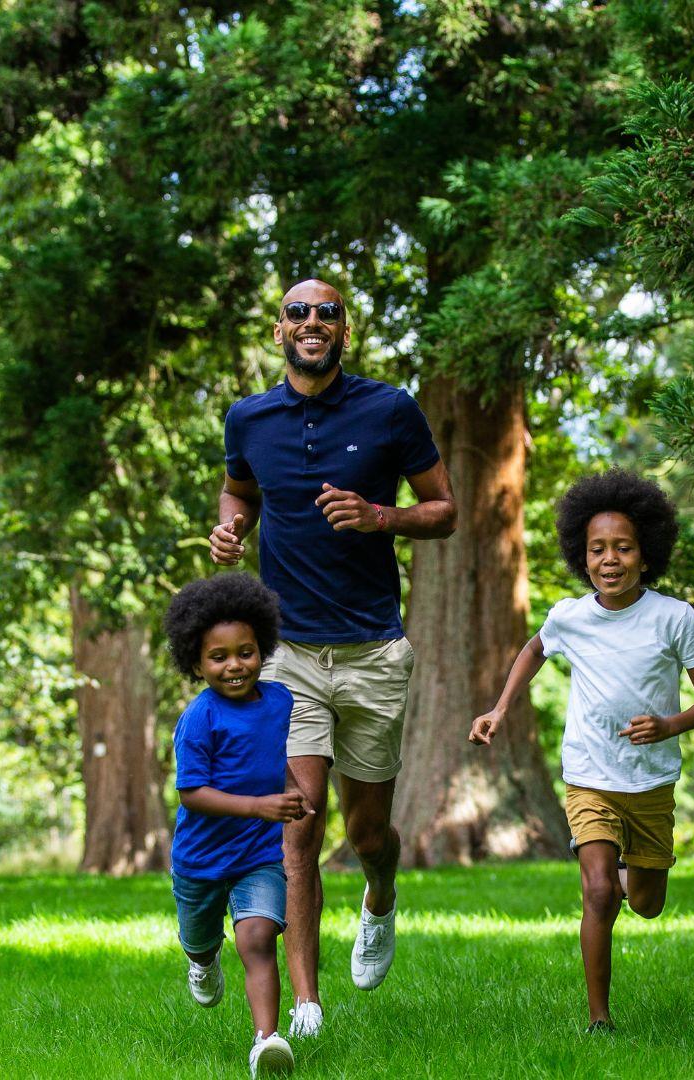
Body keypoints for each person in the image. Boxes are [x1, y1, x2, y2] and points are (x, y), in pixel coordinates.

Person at [208, 278, 457, 1039]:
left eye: (326, 313)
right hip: (287, 655)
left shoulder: (389, 409)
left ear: (344, 330)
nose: (311, 323)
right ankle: (308, 1004)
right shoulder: (248, 417)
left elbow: (444, 508)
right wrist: (230, 530)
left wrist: (381, 515)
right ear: (278, 329)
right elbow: (237, 491)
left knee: (367, 832)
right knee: (300, 826)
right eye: (297, 313)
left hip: (373, 650)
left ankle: (380, 894)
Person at [469, 470, 694, 1034]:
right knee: (599, 891)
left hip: (651, 781)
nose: (610, 560)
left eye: (623, 547)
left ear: (646, 553)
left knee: (646, 903)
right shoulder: (570, 616)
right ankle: (599, 1020)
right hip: (589, 775)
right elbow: (534, 649)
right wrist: (500, 708)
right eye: (597, 549)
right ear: (581, 558)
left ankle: (638, 870)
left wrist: (667, 724)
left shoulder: (675, 618)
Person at [164, 574, 312, 1076]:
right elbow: (192, 794)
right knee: (201, 939)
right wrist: (260, 806)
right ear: (196, 661)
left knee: (256, 938)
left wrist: (290, 790)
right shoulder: (199, 719)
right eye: (219, 656)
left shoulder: (278, 702)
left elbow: (271, 759)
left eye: (245, 652)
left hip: (257, 857)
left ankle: (266, 1041)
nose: (234, 666)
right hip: (200, 862)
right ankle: (202, 960)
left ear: (263, 648)